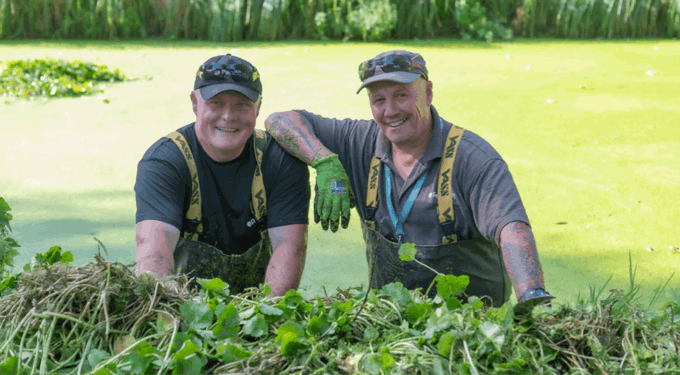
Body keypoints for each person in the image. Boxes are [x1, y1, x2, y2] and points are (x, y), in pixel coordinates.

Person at [265, 50, 553, 307]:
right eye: (378, 100)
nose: (390, 112)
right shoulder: (358, 142)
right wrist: (324, 161)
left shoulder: (472, 158)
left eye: (402, 96)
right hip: (390, 326)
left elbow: (511, 227)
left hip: (471, 331)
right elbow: (279, 121)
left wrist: (531, 295)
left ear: (427, 92)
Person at [135, 54, 310, 296]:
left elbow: (290, 246)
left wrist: (266, 315)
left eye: (242, 104)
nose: (228, 116)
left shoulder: (280, 160)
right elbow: (154, 252)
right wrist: (172, 318)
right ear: (195, 103)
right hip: (180, 307)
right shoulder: (164, 162)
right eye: (216, 103)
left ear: (258, 108)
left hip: (260, 309)